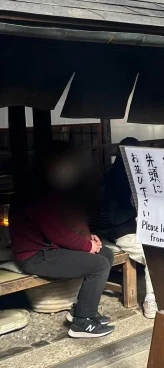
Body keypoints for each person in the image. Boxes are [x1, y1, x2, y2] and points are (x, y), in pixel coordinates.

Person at [9, 142, 115, 338]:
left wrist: (89, 240)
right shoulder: (34, 191)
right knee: (99, 265)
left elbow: (66, 224)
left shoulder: (47, 188)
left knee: (105, 253)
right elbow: (56, 232)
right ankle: (83, 322)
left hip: (49, 249)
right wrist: (86, 246)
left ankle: (80, 311)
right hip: (35, 256)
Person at [104, 138, 157, 319]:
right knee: (154, 254)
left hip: (145, 229)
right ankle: (151, 299)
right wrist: (135, 209)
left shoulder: (140, 177)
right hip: (125, 232)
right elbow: (113, 218)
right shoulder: (115, 182)